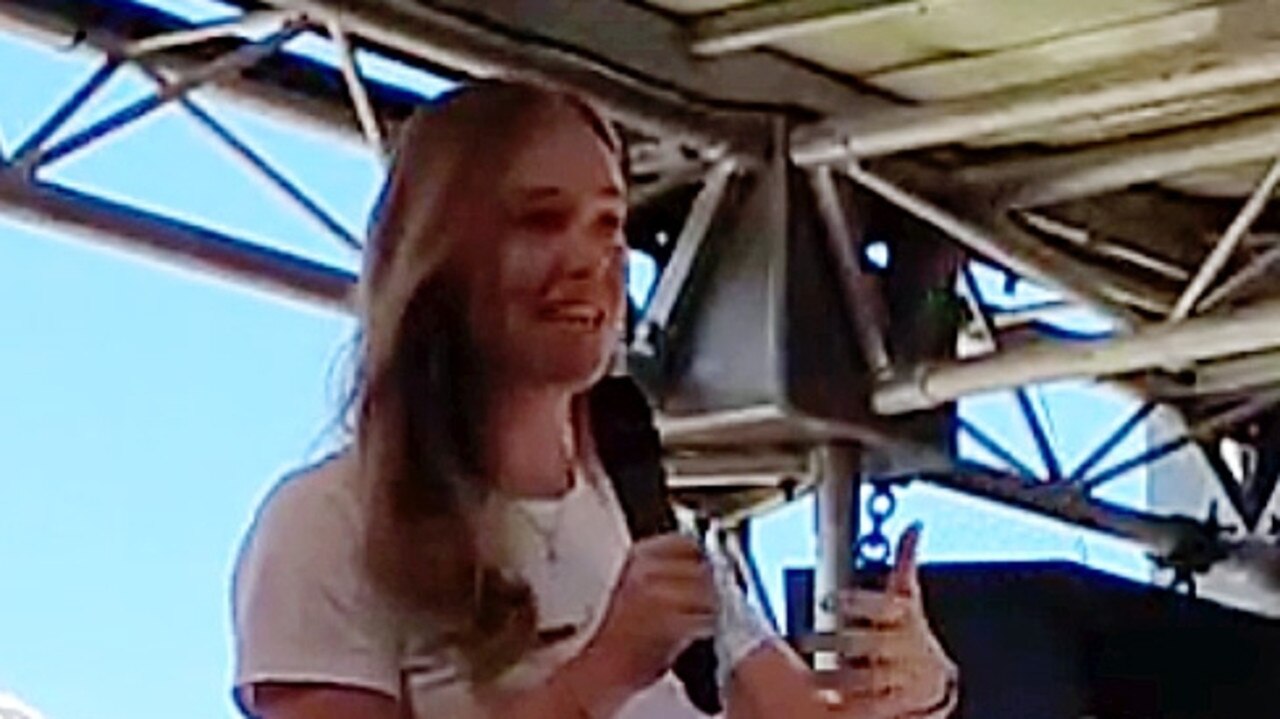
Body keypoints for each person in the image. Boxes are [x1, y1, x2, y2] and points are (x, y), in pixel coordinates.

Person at [230, 81, 958, 719]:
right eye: (542, 221)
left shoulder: (645, 521)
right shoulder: (328, 524)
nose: (590, 259)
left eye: (609, 223)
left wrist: (919, 692)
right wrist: (601, 674)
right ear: (439, 252)